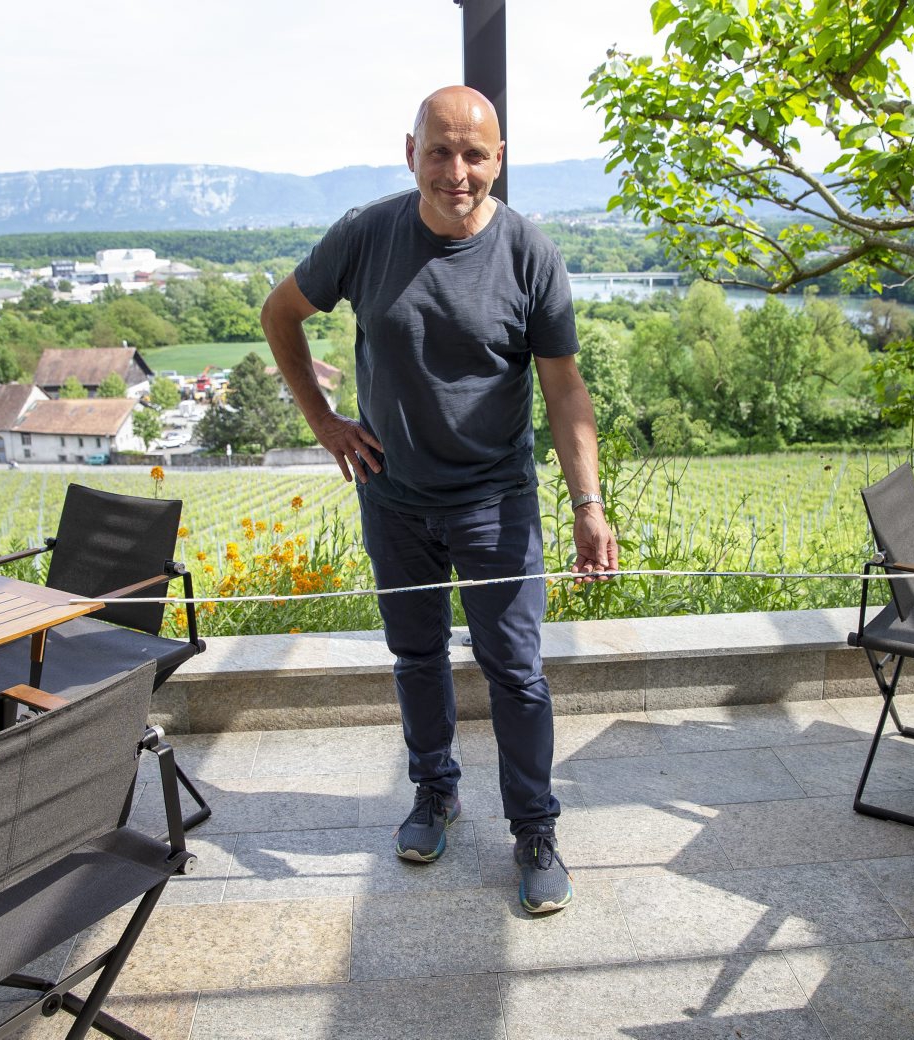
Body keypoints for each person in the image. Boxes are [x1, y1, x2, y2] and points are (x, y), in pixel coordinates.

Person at [260, 85, 618, 914]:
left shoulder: (528, 253)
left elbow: (565, 391)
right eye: (440, 151)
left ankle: (534, 829)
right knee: (415, 657)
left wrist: (587, 504)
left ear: (499, 159)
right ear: (409, 150)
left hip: (495, 502)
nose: (456, 172)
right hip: (392, 497)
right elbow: (281, 312)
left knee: (516, 672)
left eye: (475, 154)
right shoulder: (366, 233)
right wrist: (324, 422)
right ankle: (434, 794)